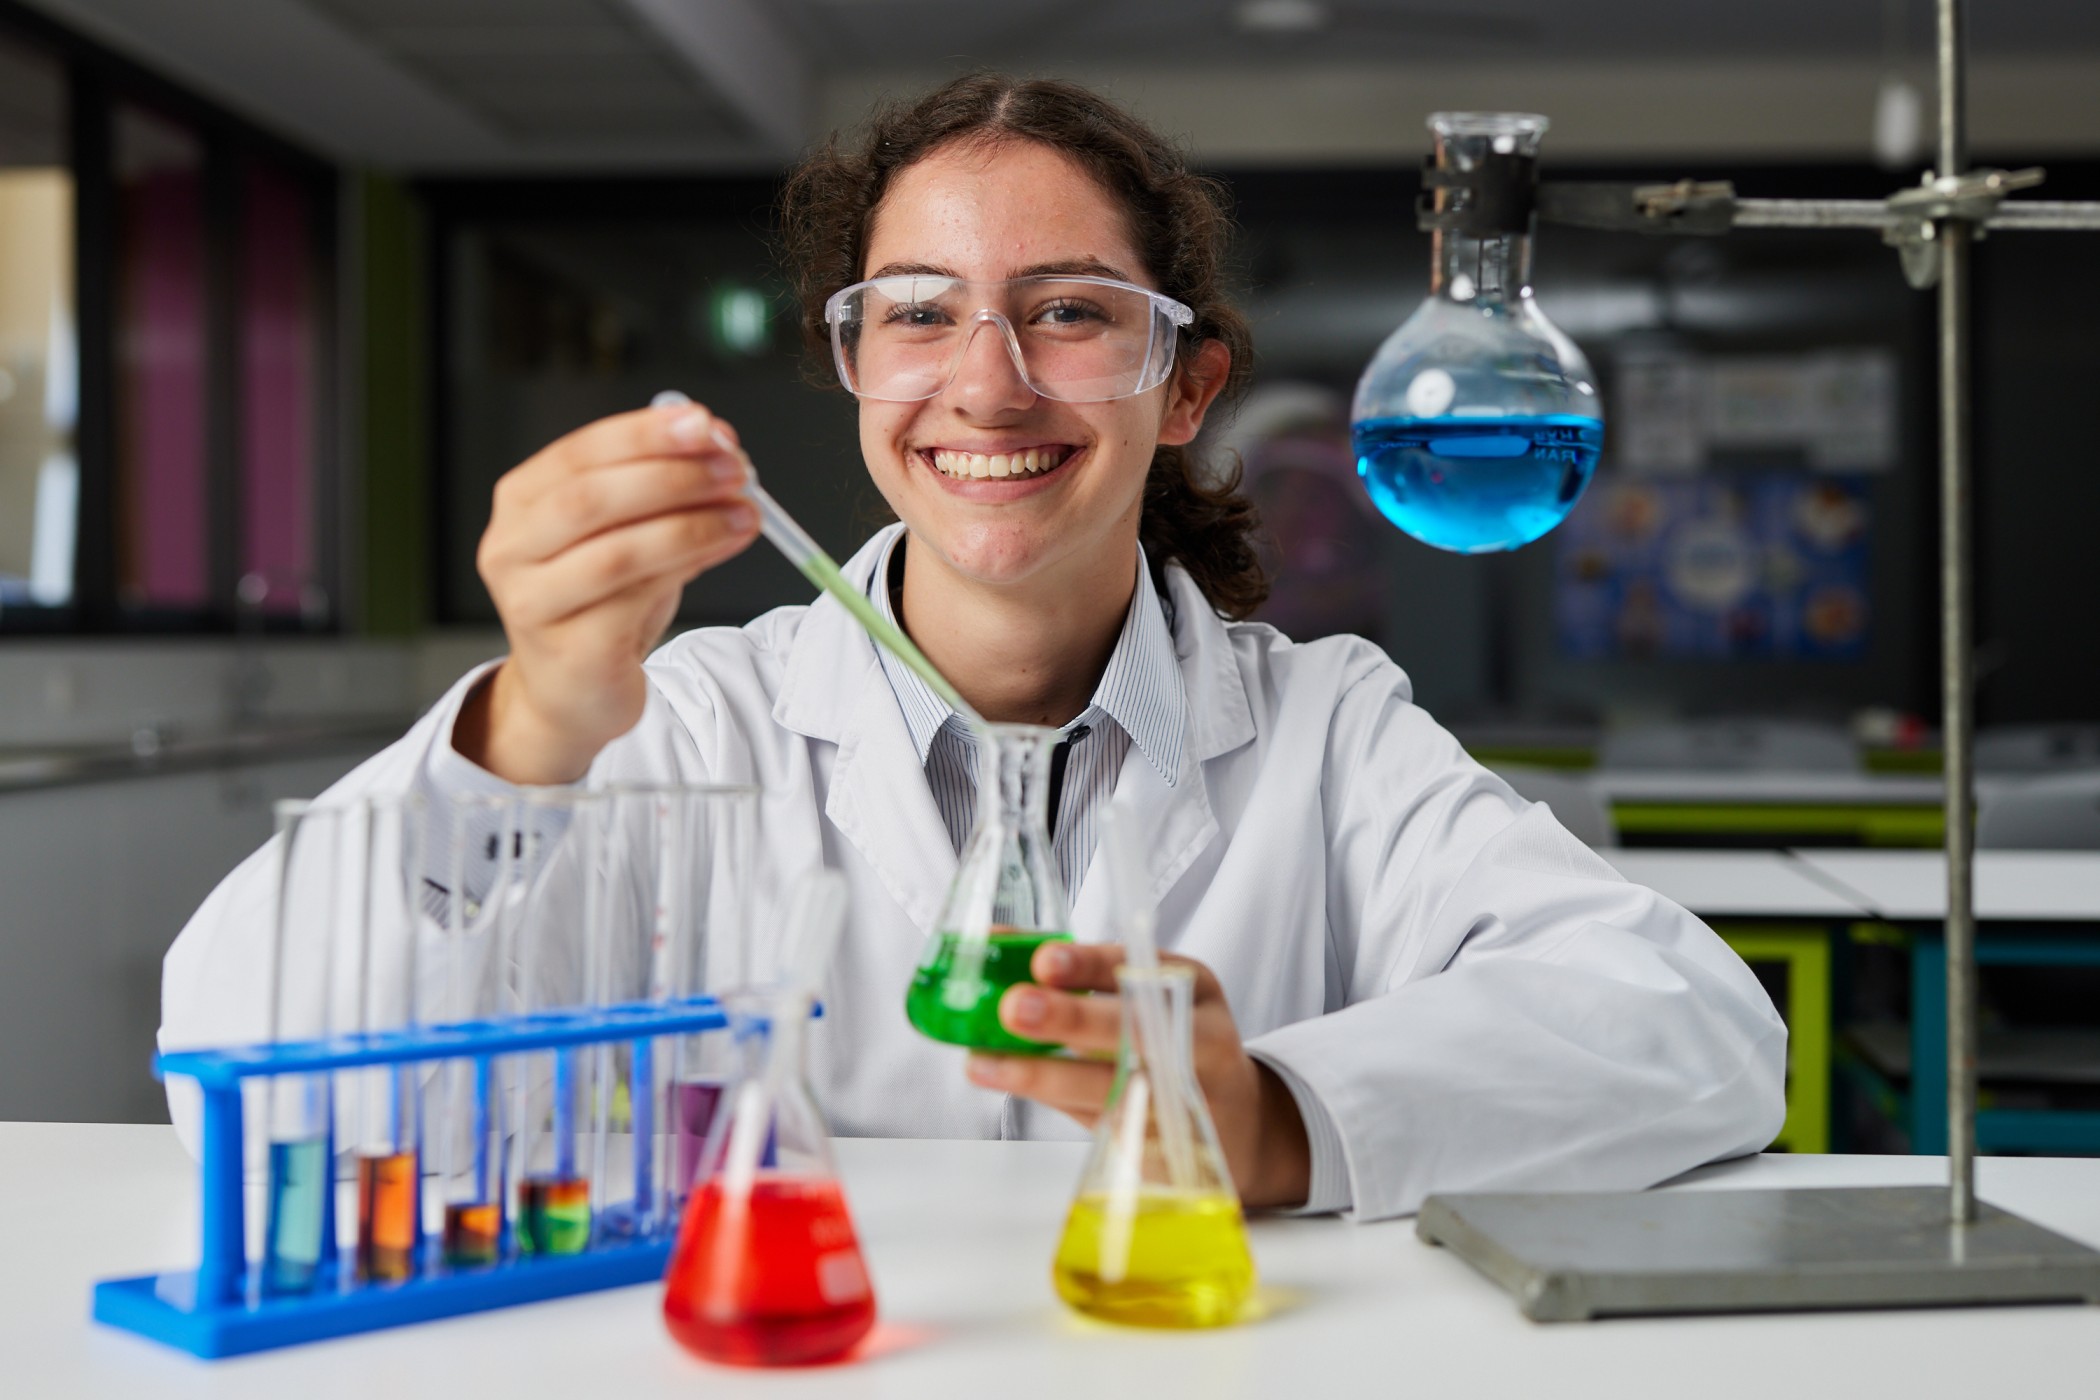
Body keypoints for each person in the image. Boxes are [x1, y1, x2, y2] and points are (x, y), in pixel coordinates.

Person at [161, 74, 1784, 1221]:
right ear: (858, 366)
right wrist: (525, 732)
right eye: (920, 312)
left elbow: (1697, 1030)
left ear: (1186, 384)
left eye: (1070, 312)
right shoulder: (691, 723)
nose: (988, 387)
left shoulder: (1326, 730)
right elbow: (249, 1082)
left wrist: (1277, 1119)